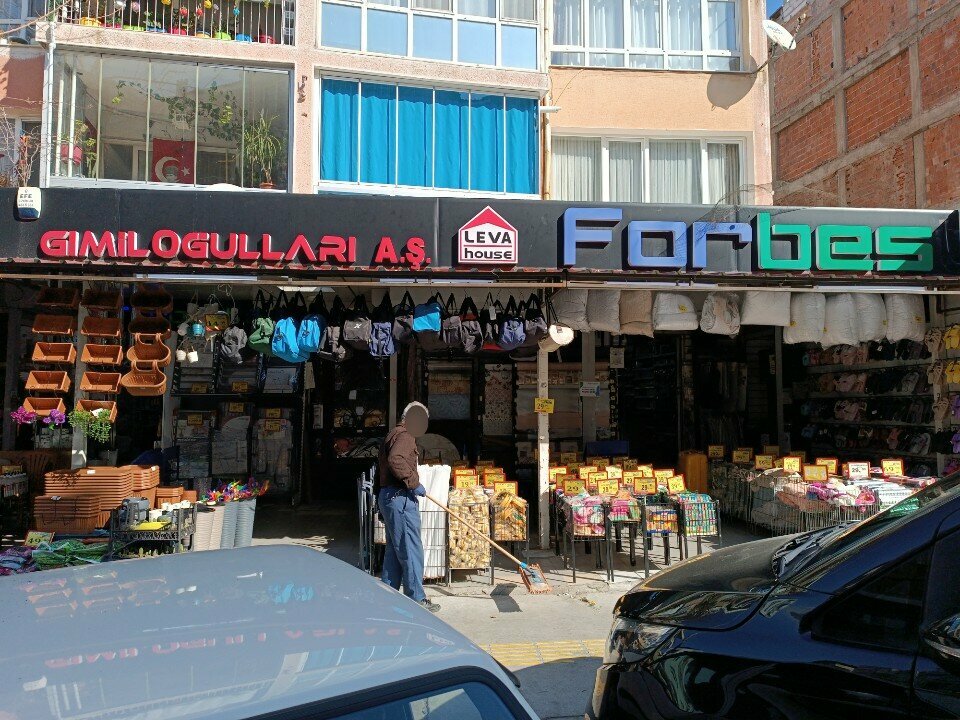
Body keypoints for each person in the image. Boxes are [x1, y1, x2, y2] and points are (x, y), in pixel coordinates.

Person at [377, 401, 439, 612]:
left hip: (389, 497)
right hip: (400, 498)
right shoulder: (405, 436)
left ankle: (388, 598)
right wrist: (413, 483)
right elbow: (396, 459)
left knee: (395, 552)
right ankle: (416, 599)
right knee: (411, 549)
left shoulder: (392, 433)